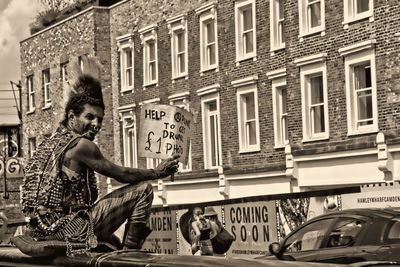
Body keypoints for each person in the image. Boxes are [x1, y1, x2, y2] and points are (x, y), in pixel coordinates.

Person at [20, 57, 180, 256]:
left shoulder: (49, 143)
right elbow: (121, 174)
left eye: (100, 119)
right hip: (68, 229)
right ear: (72, 117)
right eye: (89, 117)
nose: (96, 124)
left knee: (112, 240)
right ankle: (130, 255)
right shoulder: (81, 145)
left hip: (42, 229)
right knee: (143, 190)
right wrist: (157, 172)